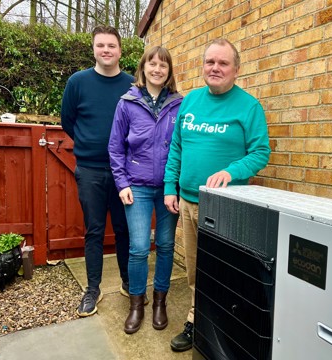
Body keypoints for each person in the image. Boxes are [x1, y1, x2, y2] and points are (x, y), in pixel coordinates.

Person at [163, 38, 271, 352]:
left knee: (226, 272)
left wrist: (232, 171)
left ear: (236, 70)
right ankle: (196, 322)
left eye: (223, 63)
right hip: (189, 201)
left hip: (227, 208)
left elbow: (260, 153)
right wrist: (171, 187)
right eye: (210, 62)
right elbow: (177, 149)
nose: (215, 68)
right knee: (196, 269)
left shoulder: (248, 107)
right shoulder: (191, 102)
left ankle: (227, 329)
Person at [61, 25, 134, 317]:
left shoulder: (131, 85)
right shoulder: (77, 82)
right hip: (90, 169)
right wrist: (90, 144)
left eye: (112, 46)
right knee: (93, 230)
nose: (106, 50)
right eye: (100, 45)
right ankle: (93, 289)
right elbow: (68, 121)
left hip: (123, 173)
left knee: (123, 230)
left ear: (120, 50)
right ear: (93, 48)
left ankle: (130, 283)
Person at [108, 46, 182, 334]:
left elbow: (182, 147)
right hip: (136, 187)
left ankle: (160, 301)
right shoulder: (127, 103)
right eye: (152, 64)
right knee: (138, 248)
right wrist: (122, 183)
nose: (157, 69)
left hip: (167, 188)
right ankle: (136, 304)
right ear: (143, 67)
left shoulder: (179, 104)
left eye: (163, 65)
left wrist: (174, 185)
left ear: (169, 71)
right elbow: (115, 147)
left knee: (165, 245)